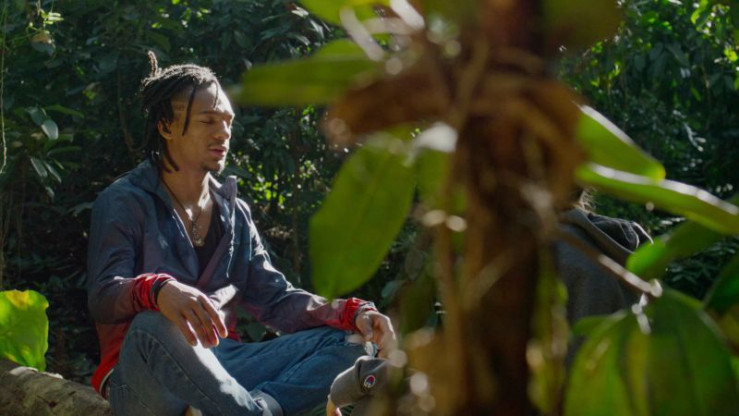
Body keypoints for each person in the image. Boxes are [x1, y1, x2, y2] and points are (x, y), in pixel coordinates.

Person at [86, 52, 396, 416]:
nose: (223, 133)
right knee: (155, 323)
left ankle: (259, 408)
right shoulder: (124, 200)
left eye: (228, 122)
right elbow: (103, 296)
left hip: (225, 365)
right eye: (208, 121)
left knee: (352, 341)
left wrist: (353, 312)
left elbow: (276, 301)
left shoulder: (234, 212)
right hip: (146, 377)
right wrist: (157, 290)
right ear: (166, 126)